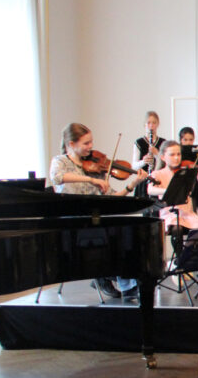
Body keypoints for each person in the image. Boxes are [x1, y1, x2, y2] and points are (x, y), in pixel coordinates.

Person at [49, 123, 149, 299]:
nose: (90, 147)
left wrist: (131, 185)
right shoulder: (60, 162)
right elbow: (57, 177)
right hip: (72, 221)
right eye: (86, 143)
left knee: (124, 232)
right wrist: (91, 180)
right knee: (106, 234)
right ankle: (105, 274)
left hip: (95, 220)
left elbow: (112, 197)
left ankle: (125, 285)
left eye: (91, 142)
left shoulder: (96, 166)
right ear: (71, 144)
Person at [147, 140, 198, 232]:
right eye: (172, 155)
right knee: (177, 228)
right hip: (169, 213)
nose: (176, 158)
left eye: (178, 154)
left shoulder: (185, 173)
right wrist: (170, 190)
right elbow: (150, 190)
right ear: (163, 157)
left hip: (187, 213)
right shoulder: (157, 173)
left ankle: (189, 247)